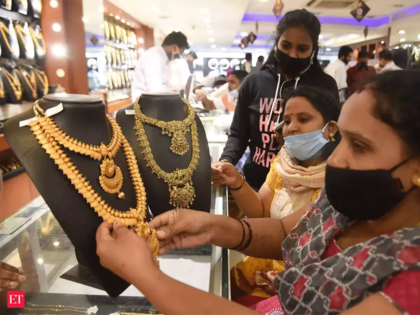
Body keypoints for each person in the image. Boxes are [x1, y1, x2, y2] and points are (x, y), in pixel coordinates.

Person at [96, 70, 420, 315]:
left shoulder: (411, 286)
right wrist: (209, 226)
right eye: (343, 139)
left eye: (360, 146)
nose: (337, 157)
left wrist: (144, 275)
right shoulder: (353, 201)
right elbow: (284, 231)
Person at [213, 86, 340, 299]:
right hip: (270, 266)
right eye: (288, 120)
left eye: (304, 119)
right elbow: (260, 211)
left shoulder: (339, 181)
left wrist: (292, 284)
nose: (292, 128)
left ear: (331, 128)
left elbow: (316, 248)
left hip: (309, 284)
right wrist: (236, 181)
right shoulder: (284, 164)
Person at [217, 9, 339, 192]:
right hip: (255, 184)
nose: (293, 54)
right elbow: (238, 134)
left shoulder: (324, 85)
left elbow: (334, 137)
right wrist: (225, 162)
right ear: (276, 44)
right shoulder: (254, 82)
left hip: (303, 188)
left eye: (302, 49)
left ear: (313, 50)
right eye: (286, 46)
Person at [131, 31, 189, 100]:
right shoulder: (153, 57)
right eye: (180, 52)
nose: (179, 56)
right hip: (144, 104)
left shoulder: (163, 59)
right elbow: (155, 89)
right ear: (174, 48)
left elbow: (167, 84)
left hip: (153, 102)